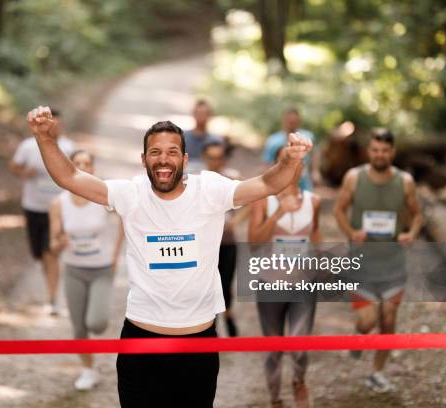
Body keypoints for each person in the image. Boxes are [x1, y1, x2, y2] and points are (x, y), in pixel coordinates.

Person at [26, 105, 312, 408]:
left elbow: (268, 183)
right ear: (144, 159)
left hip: (198, 342)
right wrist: (45, 138)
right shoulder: (131, 194)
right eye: (155, 152)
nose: (163, 159)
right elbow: (70, 177)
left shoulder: (210, 190)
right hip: (141, 339)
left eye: (172, 151)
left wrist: (289, 159)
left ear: (185, 159)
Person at [333, 128, 423, 393]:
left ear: (392, 152)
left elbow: (417, 215)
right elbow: (338, 210)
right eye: (375, 150)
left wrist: (411, 233)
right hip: (362, 265)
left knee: (388, 319)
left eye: (385, 150)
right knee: (368, 320)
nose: (380, 155)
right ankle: (360, 335)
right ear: (368, 151)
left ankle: (377, 372)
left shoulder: (405, 181)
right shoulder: (354, 178)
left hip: (393, 265)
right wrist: (351, 233)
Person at [248, 145, 322, 408]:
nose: (290, 167)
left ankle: (299, 381)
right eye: (284, 161)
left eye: (296, 162)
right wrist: (279, 212)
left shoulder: (313, 201)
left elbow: (315, 238)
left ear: (302, 167)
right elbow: (254, 241)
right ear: (277, 166)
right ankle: (275, 399)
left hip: (303, 284)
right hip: (270, 284)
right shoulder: (263, 200)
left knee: (300, 344)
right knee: (274, 347)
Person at [49, 149, 124, 390]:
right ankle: (88, 370)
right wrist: (59, 243)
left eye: (87, 163)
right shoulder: (58, 203)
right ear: (70, 167)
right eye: (77, 163)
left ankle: (92, 360)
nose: (82, 167)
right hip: (74, 270)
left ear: (93, 168)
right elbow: (53, 243)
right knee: (79, 326)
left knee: (97, 323)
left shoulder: (103, 198)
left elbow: (126, 220)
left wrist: (115, 254)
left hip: (101, 269)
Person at [9, 109, 76, 315]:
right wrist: (24, 172)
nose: (54, 127)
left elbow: (78, 175)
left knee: (50, 253)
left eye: (58, 124)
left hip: (59, 209)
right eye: (51, 123)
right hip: (33, 207)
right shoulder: (28, 146)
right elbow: (13, 165)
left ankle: (53, 299)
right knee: (39, 254)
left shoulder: (69, 147)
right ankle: (52, 284)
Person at [201, 141, 242, 337]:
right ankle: (213, 327)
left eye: (218, 158)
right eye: (211, 157)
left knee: (225, 283)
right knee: (207, 284)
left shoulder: (232, 178)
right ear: (204, 158)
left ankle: (228, 317)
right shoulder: (196, 181)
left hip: (227, 242)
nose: (215, 162)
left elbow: (251, 202)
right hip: (204, 245)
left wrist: (236, 221)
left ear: (223, 159)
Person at [262, 108, 320, 191]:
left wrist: (315, 171)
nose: (292, 124)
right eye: (290, 121)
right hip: (280, 182)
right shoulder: (273, 140)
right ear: (283, 120)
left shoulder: (307, 136)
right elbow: (267, 163)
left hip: (303, 180)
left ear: (299, 121)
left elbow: (315, 152)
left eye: (295, 121)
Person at [183, 100, 223, 173]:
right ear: (193, 114)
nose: (201, 116)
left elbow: (220, 165)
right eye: (198, 113)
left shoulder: (216, 140)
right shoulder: (183, 137)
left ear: (210, 115)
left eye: (204, 113)